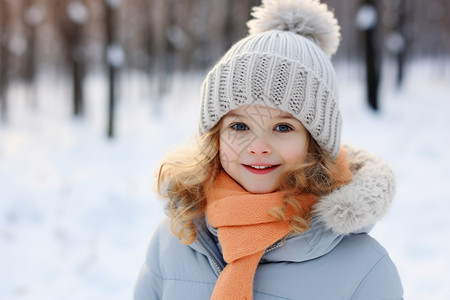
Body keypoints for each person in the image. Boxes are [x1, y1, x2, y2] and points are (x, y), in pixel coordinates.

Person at [134, 0, 404, 299]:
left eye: (283, 128)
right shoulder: (175, 239)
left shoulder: (364, 269)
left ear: (314, 143)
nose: (259, 147)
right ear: (216, 137)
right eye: (239, 126)